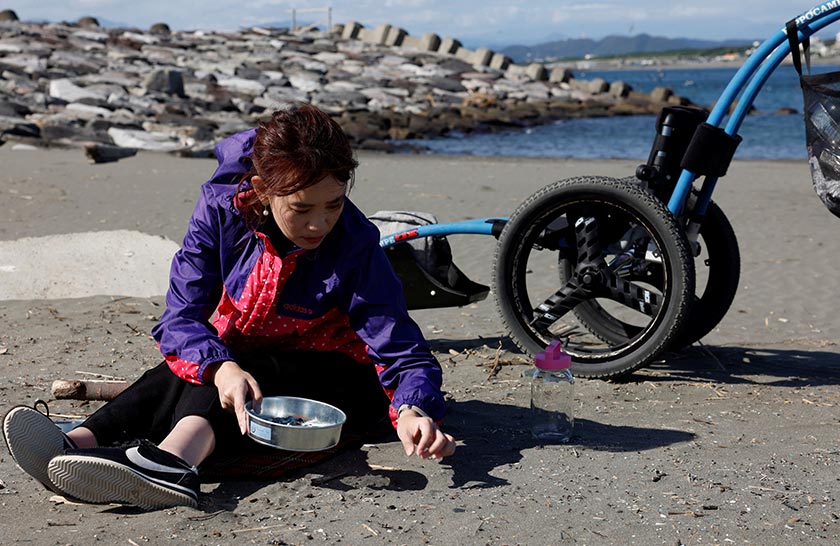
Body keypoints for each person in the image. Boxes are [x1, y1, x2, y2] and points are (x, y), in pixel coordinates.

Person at [2, 103, 456, 510]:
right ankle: (74, 444)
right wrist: (220, 368)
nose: (320, 223)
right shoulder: (221, 211)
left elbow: (401, 348)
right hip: (248, 361)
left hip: (340, 381)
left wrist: (413, 409)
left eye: (334, 204)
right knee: (188, 368)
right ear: (262, 188)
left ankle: (174, 462)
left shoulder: (356, 243)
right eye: (301, 209)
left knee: (248, 368)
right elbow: (180, 318)